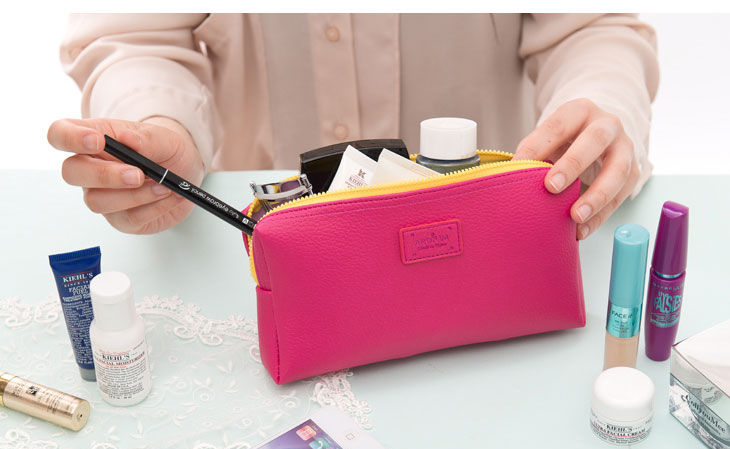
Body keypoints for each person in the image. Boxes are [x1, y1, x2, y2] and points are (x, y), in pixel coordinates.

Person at [47, 14, 659, 237]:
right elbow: (135, 36)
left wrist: (597, 107)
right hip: (265, 233)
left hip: (495, 222)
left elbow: (591, 29)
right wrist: (159, 126)